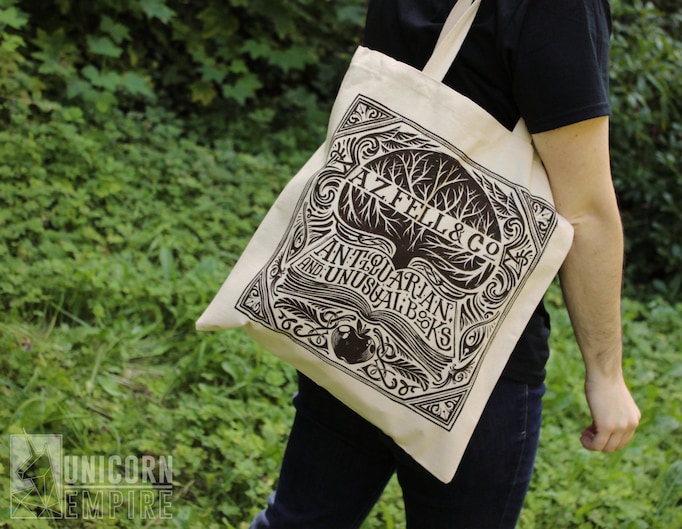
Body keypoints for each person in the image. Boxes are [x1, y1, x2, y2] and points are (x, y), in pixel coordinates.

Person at [250, 1, 641, 527]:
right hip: (468, 356)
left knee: (300, 519)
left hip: (347, 299)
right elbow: (586, 209)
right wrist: (606, 375)